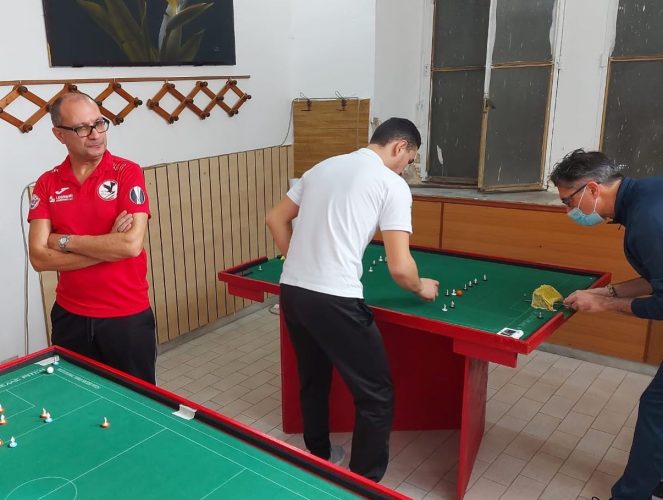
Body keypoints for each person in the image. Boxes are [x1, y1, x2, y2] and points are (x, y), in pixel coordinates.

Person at [265, 117, 439, 481]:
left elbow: (275, 219)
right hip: (336, 299)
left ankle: (319, 454)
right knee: (376, 394)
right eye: (409, 161)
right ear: (400, 147)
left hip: (293, 291)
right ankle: (363, 482)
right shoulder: (391, 184)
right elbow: (400, 268)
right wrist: (421, 286)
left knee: (313, 378)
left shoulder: (322, 167)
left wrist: (299, 261)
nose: (405, 169)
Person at [550, 148, 663, 500]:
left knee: (657, 408)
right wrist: (605, 291)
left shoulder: (647, 219)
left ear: (593, 189)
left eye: (569, 202)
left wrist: (606, 305)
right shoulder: (645, 195)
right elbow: (655, 278)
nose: (569, 211)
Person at [28, 91, 157, 384]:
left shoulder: (127, 172)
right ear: (59, 135)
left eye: (99, 123)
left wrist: (64, 241)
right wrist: (106, 245)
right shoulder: (47, 183)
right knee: (75, 399)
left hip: (126, 317)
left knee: (135, 403)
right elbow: (38, 258)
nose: (96, 134)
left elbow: (130, 245)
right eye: (82, 128)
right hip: (69, 316)